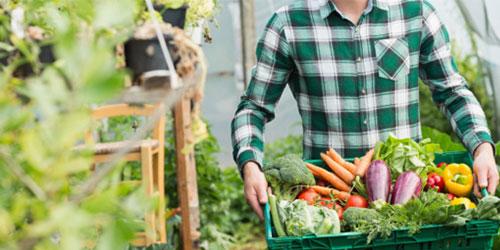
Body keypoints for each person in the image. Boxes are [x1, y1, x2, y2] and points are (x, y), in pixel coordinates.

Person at [231, 0, 498, 219]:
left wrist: (482, 147)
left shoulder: (416, 14)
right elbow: (253, 107)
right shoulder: (288, 24)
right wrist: (251, 164)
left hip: (408, 201)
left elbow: (452, 92)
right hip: (330, 203)